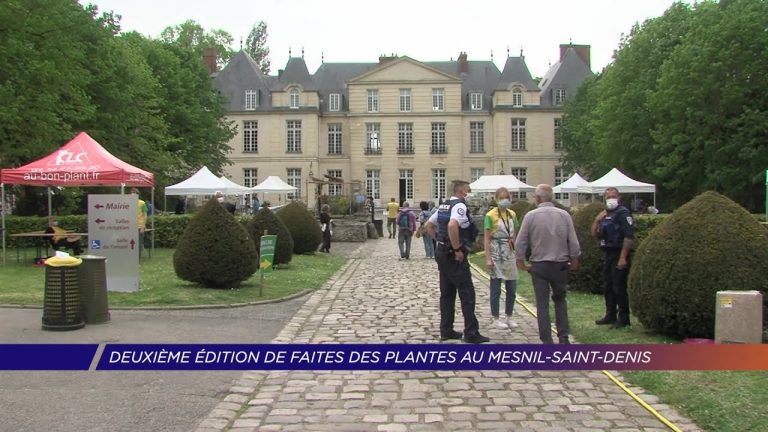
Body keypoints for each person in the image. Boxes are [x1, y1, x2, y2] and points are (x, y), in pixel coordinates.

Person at [515, 184, 580, 344]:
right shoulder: (564, 215)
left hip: (539, 264)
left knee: (542, 303)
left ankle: (546, 339)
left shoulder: (531, 216)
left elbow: (521, 241)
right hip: (560, 263)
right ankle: (563, 336)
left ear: (537, 198)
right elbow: (573, 241)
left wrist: (520, 260)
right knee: (560, 300)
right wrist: (575, 259)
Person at [425, 180, 489, 344]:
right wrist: (457, 249)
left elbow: (429, 225)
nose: (468, 194)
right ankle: (471, 332)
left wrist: (439, 240)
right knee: (467, 292)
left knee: (447, 293)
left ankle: (446, 329)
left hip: (441, 252)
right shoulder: (459, 206)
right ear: (461, 192)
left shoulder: (444, 205)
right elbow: (453, 225)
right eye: (467, 191)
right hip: (453, 255)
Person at [592, 187, 635, 329]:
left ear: (619, 197)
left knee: (619, 287)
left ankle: (624, 318)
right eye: (608, 196)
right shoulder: (606, 214)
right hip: (608, 253)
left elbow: (629, 237)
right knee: (608, 286)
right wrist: (597, 221)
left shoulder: (623, 213)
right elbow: (595, 234)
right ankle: (610, 314)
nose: (611, 199)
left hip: (619, 252)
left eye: (613, 196)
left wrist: (623, 257)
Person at [483, 187, 520, 330]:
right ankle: (495, 317)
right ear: (497, 199)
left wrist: (516, 251)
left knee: (512, 287)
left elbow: (515, 233)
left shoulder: (512, 214)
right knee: (496, 287)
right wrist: (488, 258)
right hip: (496, 250)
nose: (504, 201)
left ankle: (509, 315)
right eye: (501, 198)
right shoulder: (490, 215)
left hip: (509, 251)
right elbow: (486, 239)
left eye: (507, 198)